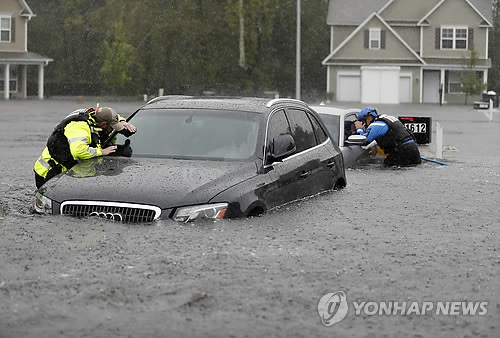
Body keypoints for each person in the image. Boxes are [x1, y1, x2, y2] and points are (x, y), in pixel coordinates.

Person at [34, 106, 137, 189]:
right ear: (104, 124)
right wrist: (101, 152)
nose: (112, 131)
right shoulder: (80, 127)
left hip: (66, 171)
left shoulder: (94, 115)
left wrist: (122, 122)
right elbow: (78, 151)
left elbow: (110, 115)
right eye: (112, 127)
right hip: (48, 172)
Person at [353, 107, 421, 166]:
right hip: (413, 148)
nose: (364, 125)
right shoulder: (387, 118)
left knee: (387, 165)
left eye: (363, 122)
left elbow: (365, 140)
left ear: (369, 118)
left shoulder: (377, 124)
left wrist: (359, 129)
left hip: (403, 151)